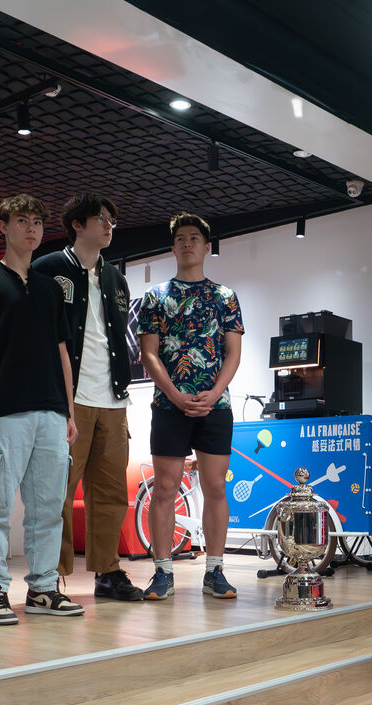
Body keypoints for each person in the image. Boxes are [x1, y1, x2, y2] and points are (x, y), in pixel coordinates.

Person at [0, 195, 83, 625]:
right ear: (4, 226)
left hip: (51, 413)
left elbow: (62, 352)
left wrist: (69, 411)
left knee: (48, 508)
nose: (31, 229)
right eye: (22, 221)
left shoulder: (49, 287)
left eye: (37, 223)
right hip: (3, 412)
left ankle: (43, 588)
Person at [33, 193, 143, 602]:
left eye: (112, 219)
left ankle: (108, 572)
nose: (109, 225)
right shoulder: (48, 269)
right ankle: (50, 576)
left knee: (111, 492)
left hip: (113, 399)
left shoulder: (117, 278)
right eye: (101, 218)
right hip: (69, 398)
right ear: (77, 224)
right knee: (58, 490)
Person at [137, 212, 243, 601]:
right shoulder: (155, 297)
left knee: (215, 486)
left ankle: (215, 570)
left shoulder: (225, 296)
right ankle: (162, 572)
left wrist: (214, 393)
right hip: (169, 405)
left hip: (216, 405)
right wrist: (174, 394)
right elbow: (149, 354)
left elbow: (233, 353)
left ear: (206, 246)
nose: (187, 243)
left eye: (195, 237)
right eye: (181, 238)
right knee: (165, 487)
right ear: (173, 247)